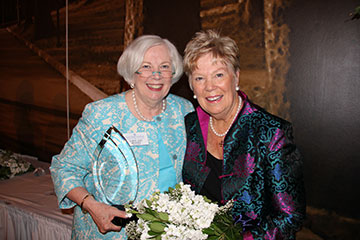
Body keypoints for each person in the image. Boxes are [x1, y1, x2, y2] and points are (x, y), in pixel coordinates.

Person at [50, 35, 194, 239]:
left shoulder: (183, 110)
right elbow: (63, 167)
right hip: (115, 232)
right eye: (145, 66)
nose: (156, 75)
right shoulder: (102, 114)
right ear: (131, 72)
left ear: (174, 72)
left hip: (169, 232)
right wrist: (91, 205)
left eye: (164, 66)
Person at [182, 30, 305, 239]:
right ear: (192, 86)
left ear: (236, 77)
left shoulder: (271, 133)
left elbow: (290, 216)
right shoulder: (191, 125)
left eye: (219, 75)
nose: (210, 86)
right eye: (200, 78)